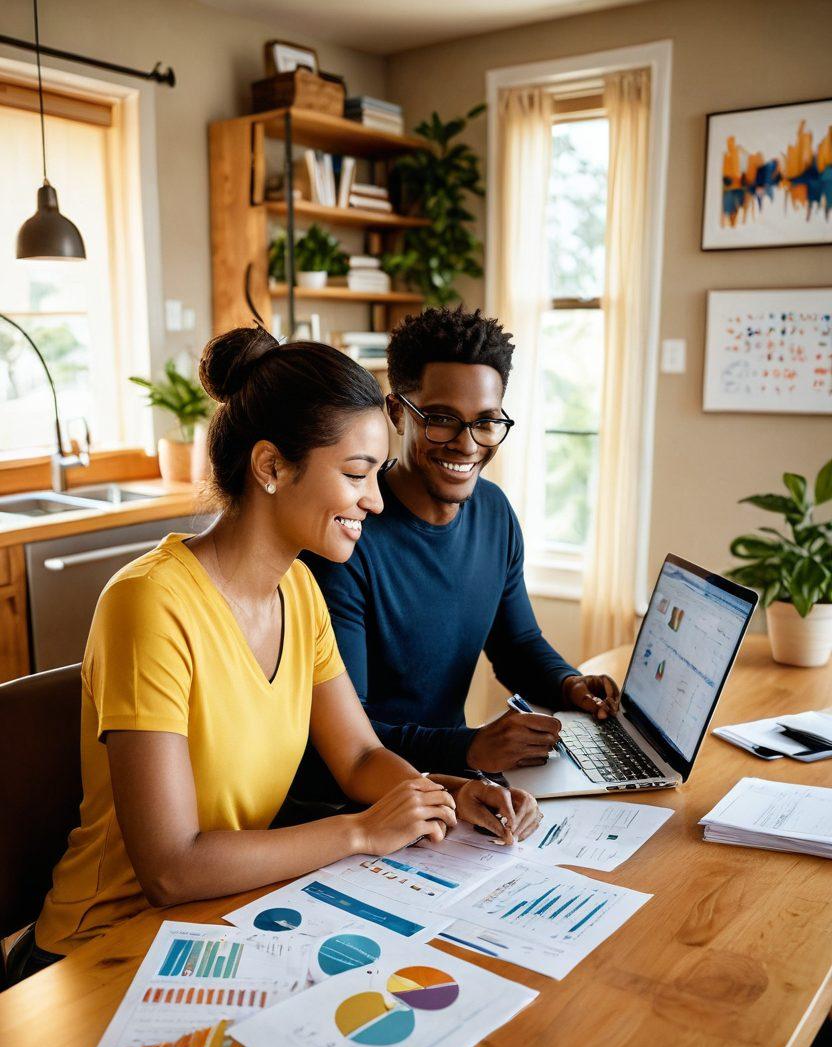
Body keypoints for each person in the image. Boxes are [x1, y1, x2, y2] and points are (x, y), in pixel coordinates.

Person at [8, 326, 540, 985]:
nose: (375, 500)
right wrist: (362, 833)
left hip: (221, 924)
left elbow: (359, 756)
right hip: (100, 952)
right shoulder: (149, 604)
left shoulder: (297, 589)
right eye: (355, 474)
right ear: (270, 466)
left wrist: (452, 796)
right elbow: (172, 868)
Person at [298, 306, 620, 802]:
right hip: (356, 802)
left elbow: (517, 644)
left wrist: (568, 685)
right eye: (443, 420)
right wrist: (470, 748)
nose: (467, 444)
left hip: (453, 788)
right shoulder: (347, 535)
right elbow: (344, 736)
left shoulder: (494, 512)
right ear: (397, 412)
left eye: (487, 422)